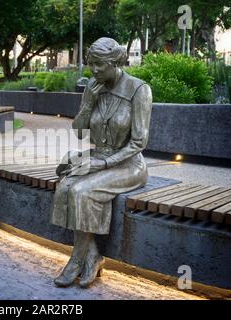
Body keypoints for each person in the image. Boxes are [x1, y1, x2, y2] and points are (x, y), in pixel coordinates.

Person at [51, 37, 153, 288]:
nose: (94, 70)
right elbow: (78, 132)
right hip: (98, 156)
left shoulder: (139, 90)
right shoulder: (92, 87)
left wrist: (105, 164)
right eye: (91, 64)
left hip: (128, 164)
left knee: (82, 191)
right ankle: (94, 254)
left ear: (115, 62)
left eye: (100, 65)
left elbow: (139, 143)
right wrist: (87, 105)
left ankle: (75, 259)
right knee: (65, 187)